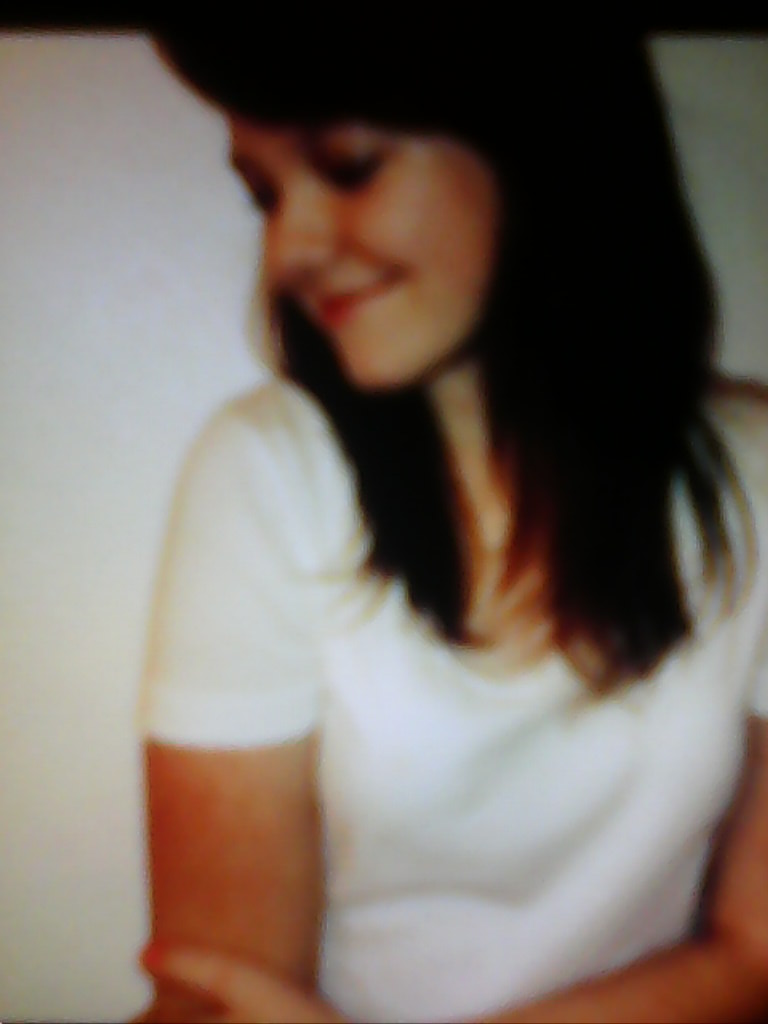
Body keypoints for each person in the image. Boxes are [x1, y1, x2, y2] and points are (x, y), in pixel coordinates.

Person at [132, 31, 768, 1024]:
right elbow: (222, 995)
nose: (288, 251)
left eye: (350, 167)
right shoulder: (268, 476)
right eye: (265, 196)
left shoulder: (757, 481)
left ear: (544, 142)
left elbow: (754, 952)